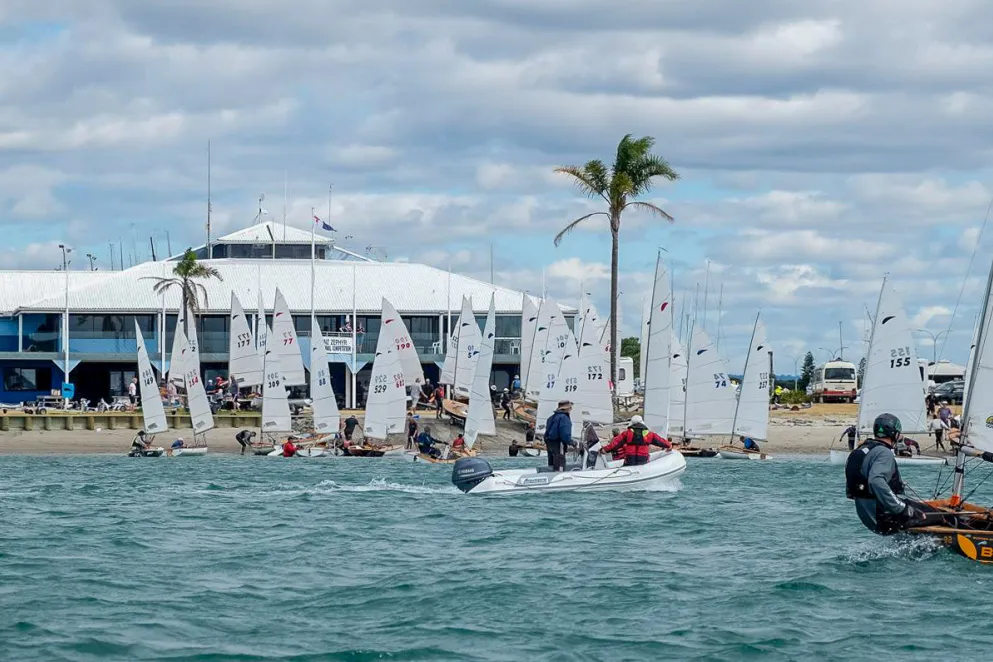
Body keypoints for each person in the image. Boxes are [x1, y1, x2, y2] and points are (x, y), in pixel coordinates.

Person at [846, 413, 931, 535]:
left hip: (868, 518)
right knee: (941, 516)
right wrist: (902, 508)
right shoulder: (884, 452)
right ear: (895, 434)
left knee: (919, 508)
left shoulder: (860, 451)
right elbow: (875, 480)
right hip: (886, 516)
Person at [602, 415, 671, 466]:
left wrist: (603, 450)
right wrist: (669, 445)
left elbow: (614, 444)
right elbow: (661, 441)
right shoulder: (649, 434)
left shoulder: (626, 433)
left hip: (630, 460)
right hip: (643, 459)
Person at [543, 400, 575, 471]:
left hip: (550, 444)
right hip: (559, 444)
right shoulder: (564, 418)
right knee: (560, 466)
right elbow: (565, 435)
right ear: (567, 408)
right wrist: (572, 442)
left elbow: (546, 434)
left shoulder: (551, 418)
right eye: (570, 408)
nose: (571, 409)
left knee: (551, 465)